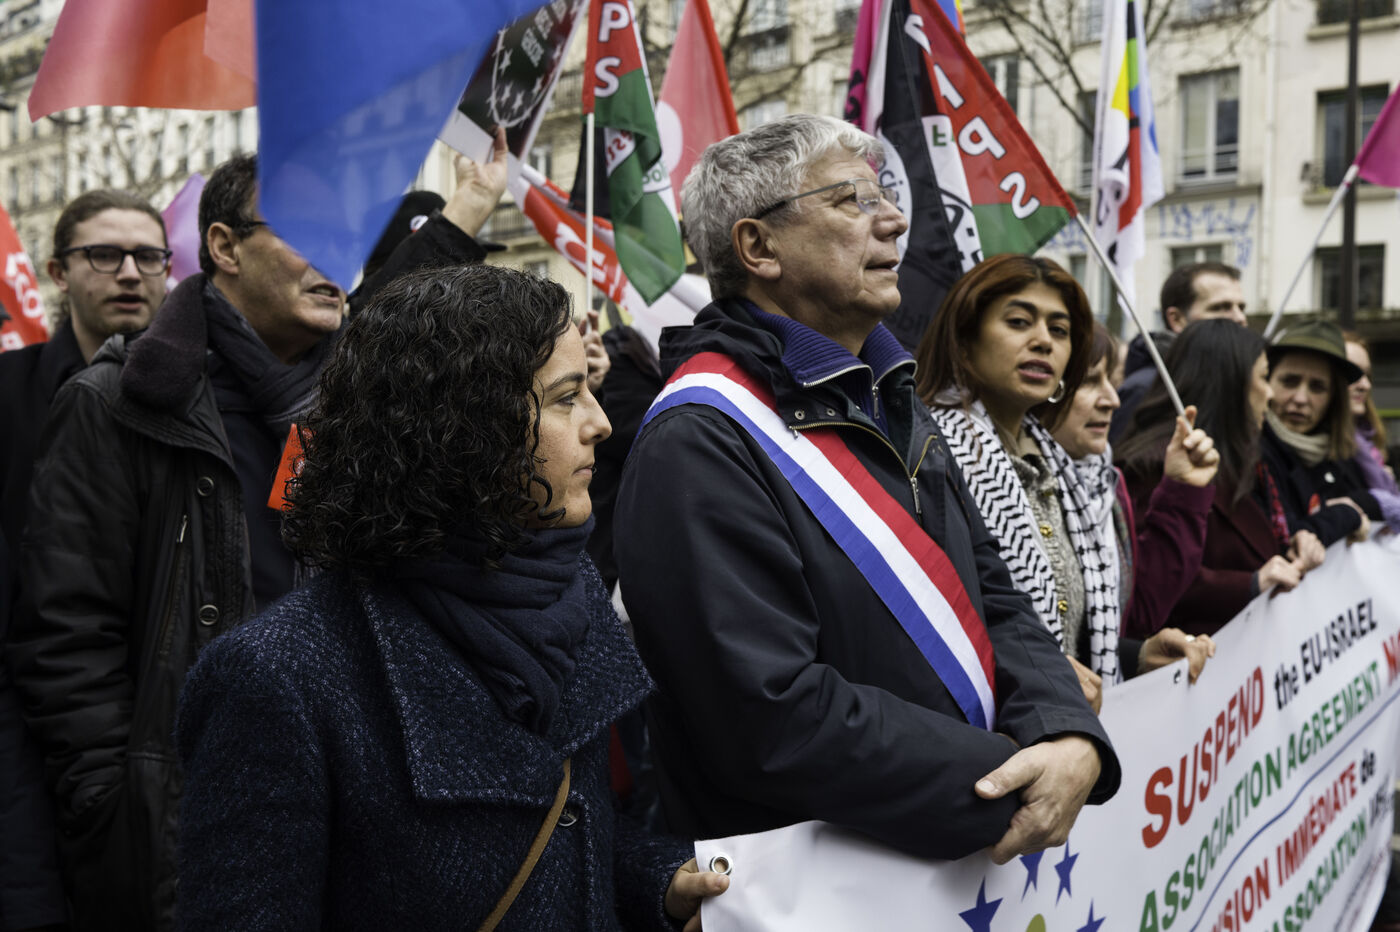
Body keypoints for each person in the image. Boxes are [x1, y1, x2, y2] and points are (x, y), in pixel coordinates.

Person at [8, 143, 510, 932]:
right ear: (224, 246)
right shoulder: (115, 404)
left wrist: (471, 204)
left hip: (360, 824)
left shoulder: (362, 403)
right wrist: (118, 811)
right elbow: (67, 640)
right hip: (191, 827)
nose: (338, 257)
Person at [615, 114, 1118, 866]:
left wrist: (1064, 730)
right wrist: (1009, 775)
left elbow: (993, 592)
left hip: (951, 866)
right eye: (853, 200)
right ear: (759, 248)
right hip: (823, 887)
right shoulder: (700, 437)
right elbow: (769, 716)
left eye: (884, 195)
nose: (893, 220)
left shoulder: (892, 396)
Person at [176, 265, 728, 930]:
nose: (601, 423)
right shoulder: (278, 676)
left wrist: (659, 885)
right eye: (565, 398)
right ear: (464, 428)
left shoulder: (563, 593)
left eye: (590, 390)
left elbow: (564, 832)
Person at [917, 258, 1216, 711]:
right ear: (964, 341)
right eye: (1019, 322)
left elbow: (1072, 641)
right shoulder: (926, 459)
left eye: (1059, 330)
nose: (1043, 341)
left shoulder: (1061, 470)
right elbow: (929, 636)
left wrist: (1134, 656)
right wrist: (1036, 678)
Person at [0, 189, 169, 932]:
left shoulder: (203, 403)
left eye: (149, 256)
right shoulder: (9, 393)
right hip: (30, 739)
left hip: (150, 740)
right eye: (105, 254)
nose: (130, 272)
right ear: (58, 271)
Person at [1116, 320, 1318, 634]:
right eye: (1264, 378)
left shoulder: (1246, 459)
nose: (1271, 394)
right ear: (1230, 384)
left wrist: (1297, 540)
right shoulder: (1154, 468)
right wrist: (1250, 584)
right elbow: (1151, 580)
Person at [1260, 319, 1381, 548]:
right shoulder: (1253, 455)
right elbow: (1285, 541)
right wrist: (1347, 513)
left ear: (1333, 399)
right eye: (1289, 381)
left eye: (1317, 387)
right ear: (1266, 381)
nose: (1300, 398)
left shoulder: (1341, 458)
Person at [1110, 262, 1247, 441]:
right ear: (1177, 319)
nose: (1240, 318)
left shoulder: (1236, 383)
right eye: (1220, 307)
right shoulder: (1145, 390)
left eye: (1241, 308)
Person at [1343, 331, 1400, 531]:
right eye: (1352, 373)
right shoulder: (1319, 451)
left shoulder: (1368, 443)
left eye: (1367, 375)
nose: (1365, 385)